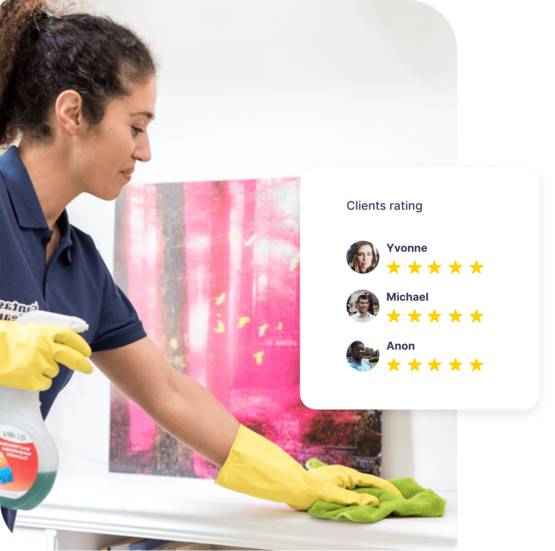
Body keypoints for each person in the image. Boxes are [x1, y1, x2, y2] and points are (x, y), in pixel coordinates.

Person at [0, 0, 400, 532]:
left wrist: (295, 481)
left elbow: (169, 392)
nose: (145, 152)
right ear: (72, 113)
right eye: (136, 126)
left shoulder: (82, 268)